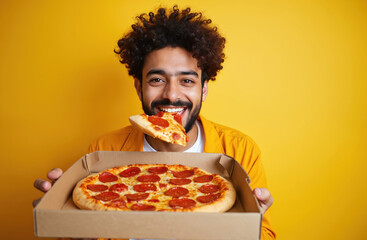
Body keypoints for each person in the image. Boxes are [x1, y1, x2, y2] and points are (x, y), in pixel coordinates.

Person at [33, 6, 276, 240]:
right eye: (157, 79)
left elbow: (265, 236)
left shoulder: (240, 150)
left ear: (203, 89)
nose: (172, 94)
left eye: (187, 81)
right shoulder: (104, 148)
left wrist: (249, 229)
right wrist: (73, 230)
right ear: (139, 88)